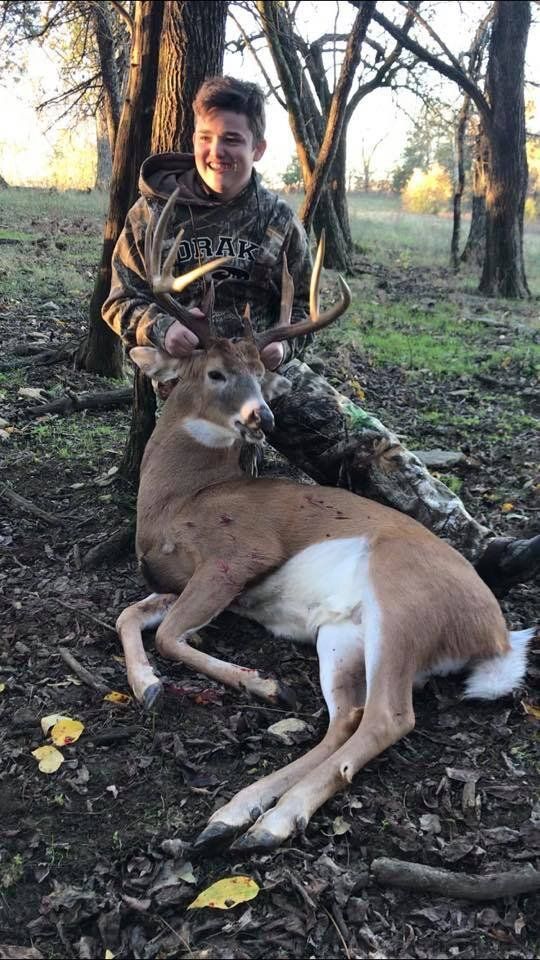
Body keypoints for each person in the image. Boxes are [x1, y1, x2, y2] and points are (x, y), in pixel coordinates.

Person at [102, 76, 539, 598]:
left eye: (232, 140)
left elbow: (302, 317)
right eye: (206, 137)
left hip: (262, 377)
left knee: (360, 440)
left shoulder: (278, 221)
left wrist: (283, 349)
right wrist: (160, 327)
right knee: (222, 501)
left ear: (257, 147)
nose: (216, 151)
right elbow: (118, 301)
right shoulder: (151, 213)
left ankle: (477, 550)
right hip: (191, 383)